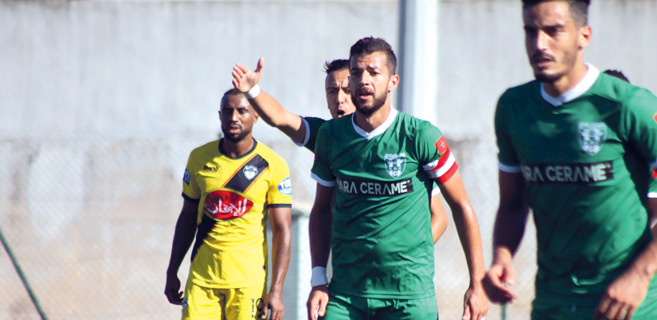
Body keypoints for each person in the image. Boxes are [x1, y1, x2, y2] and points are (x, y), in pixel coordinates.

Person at [484, 1, 657, 319]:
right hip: (553, 302)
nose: (539, 44)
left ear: (584, 35)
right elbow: (512, 204)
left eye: (554, 31)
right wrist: (502, 257)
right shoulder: (513, 108)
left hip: (626, 303)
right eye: (530, 31)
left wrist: (640, 274)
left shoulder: (629, 105)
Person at [305, 37, 488, 320]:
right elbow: (320, 210)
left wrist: (477, 284)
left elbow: (460, 206)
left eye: (374, 73)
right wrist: (318, 278)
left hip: (409, 298)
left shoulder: (420, 135)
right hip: (346, 296)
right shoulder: (331, 137)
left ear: (393, 81)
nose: (363, 80)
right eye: (356, 73)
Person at [231, 58, 448, 244]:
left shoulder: (403, 138)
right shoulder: (328, 136)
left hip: (396, 273)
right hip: (345, 261)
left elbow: (439, 215)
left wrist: (411, 252)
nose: (339, 98)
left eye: (345, 90)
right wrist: (252, 90)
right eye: (332, 91)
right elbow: (281, 118)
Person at [164, 89, 293, 320]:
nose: (233, 117)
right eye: (227, 111)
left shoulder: (273, 165)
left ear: (256, 116)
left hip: (248, 284)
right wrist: (172, 270)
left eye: (242, 111)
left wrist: (276, 290)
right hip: (202, 280)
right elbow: (187, 218)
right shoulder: (199, 158)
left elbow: (283, 230)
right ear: (220, 115)